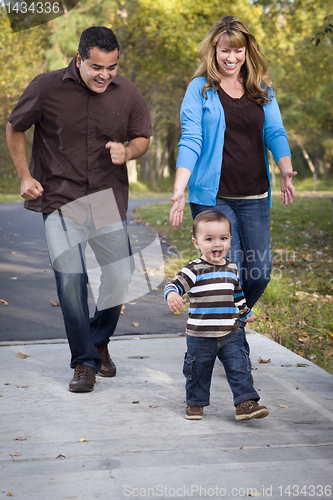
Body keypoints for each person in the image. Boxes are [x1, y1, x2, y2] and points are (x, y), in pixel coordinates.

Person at [6, 26, 153, 393]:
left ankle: (98, 340)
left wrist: (128, 151)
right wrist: (24, 176)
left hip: (104, 198)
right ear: (79, 59)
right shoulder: (47, 87)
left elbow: (142, 137)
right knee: (71, 279)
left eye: (112, 67)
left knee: (121, 275)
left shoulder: (128, 92)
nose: (105, 74)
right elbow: (14, 127)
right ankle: (84, 361)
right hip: (60, 198)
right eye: (97, 67)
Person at [169, 15, 297, 318]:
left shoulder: (261, 89)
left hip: (254, 195)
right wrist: (179, 189)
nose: (231, 57)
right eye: (225, 50)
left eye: (238, 50)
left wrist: (285, 170)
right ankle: (231, 343)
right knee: (230, 273)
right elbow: (191, 139)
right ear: (213, 50)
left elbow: (275, 131)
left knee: (260, 273)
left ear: (247, 50)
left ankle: (230, 321)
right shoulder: (200, 89)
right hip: (213, 198)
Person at [164, 210, 269, 421]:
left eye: (223, 238)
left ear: (230, 239)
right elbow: (173, 284)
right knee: (198, 372)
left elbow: (237, 294)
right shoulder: (194, 269)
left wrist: (245, 312)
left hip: (231, 331)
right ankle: (195, 403)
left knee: (239, 367)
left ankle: (245, 402)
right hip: (200, 335)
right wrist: (172, 294)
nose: (217, 244)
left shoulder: (231, 268)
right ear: (197, 242)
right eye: (209, 239)